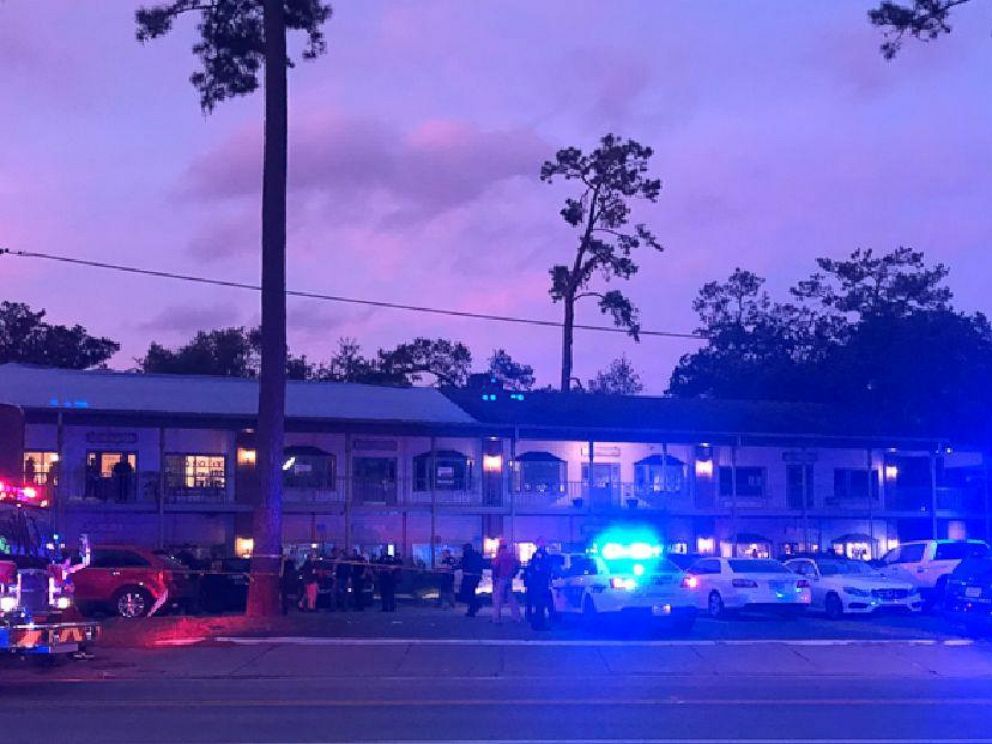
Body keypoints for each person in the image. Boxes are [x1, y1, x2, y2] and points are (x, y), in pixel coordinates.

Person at [490, 543, 521, 624]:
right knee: (511, 598)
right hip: (509, 579)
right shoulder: (511, 556)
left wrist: (494, 579)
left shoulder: (498, 557)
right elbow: (517, 565)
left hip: (500, 579)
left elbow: (495, 569)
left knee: (498, 599)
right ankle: (516, 617)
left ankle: (496, 618)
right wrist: (513, 574)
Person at [525, 546, 554, 630]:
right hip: (540, 587)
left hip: (537, 587)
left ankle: (537, 624)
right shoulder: (539, 563)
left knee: (539, 607)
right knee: (540, 607)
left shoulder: (534, 563)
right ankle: (539, 625)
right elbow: (543, 573)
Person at [459, 543, 484, 618]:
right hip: (476, 576)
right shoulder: (477, 555)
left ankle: (476, 604)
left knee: (466, 593)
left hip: (468, 576)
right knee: (471, 593)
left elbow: (463, 565)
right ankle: (472, 610)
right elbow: (481, 565)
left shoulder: (466, 555)